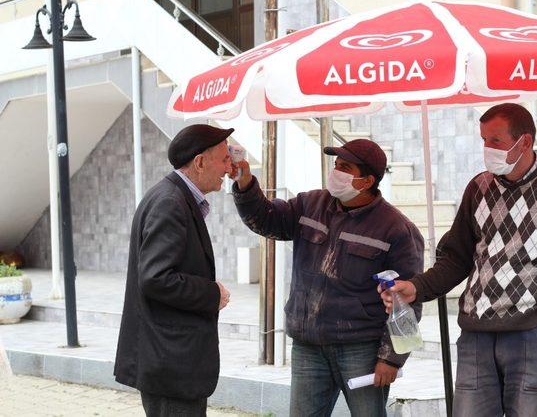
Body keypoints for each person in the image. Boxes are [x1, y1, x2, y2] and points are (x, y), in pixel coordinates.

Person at [380, 103, 537, 417]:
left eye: (496, 141)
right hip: (476, 336)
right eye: (483, 140)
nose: (487, 149)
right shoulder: (478, 188)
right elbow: (455, 259)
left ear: (525, 142)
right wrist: (416, 288)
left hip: (535, 335)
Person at [232, 139, 424, 416]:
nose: (336, 172)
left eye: (345, 168)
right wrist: (245, 184)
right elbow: (266, 219)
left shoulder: (396, 230)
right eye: (336, 165)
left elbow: (407, 302)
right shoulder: (309, 204)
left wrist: (391, 359)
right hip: (308, 347)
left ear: (367, 180)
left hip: (362, 350)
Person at [114, 124, 235, 417]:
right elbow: (156, 278)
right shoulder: (170, 202)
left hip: (173, 359)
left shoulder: (174, 197)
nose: (230, 167)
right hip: (170, 362)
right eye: (224, 159)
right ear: (200, 162)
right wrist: (211, 294)